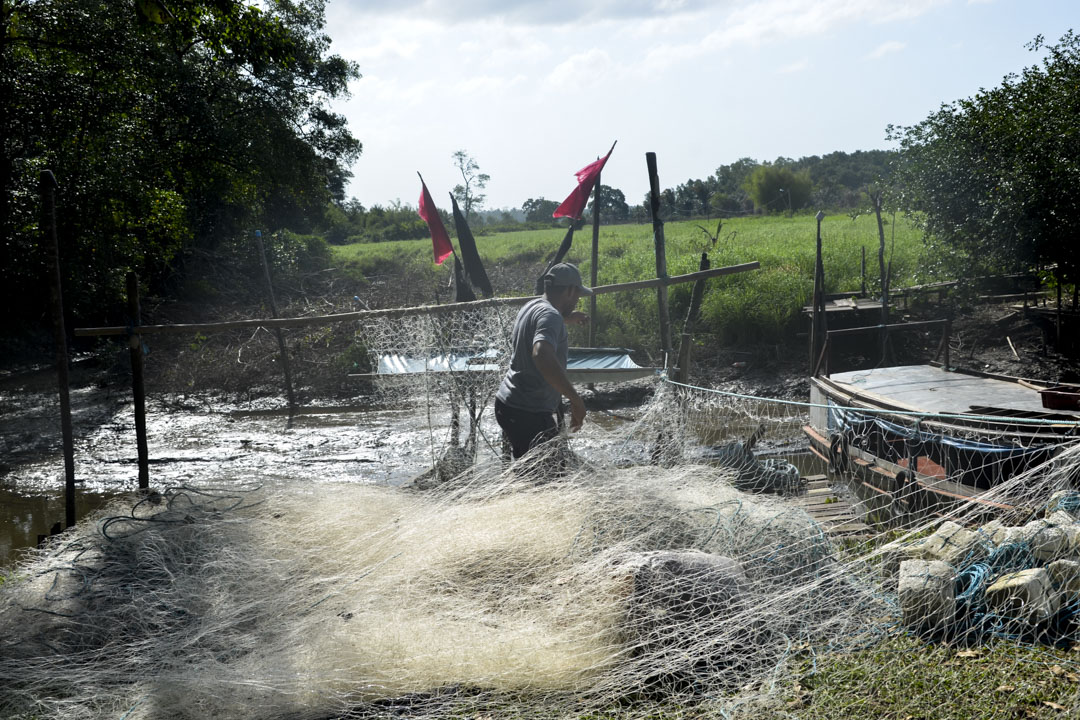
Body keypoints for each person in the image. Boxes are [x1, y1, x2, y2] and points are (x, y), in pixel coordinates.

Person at [494, 262, 592, 459]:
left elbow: (542, 323)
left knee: (530, 472)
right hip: (528, 412)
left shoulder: (532, 306)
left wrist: (566, 318)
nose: (577, 300)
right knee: (546, 481)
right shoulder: (551, 317)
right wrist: (576, 400)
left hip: (508, 404)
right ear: (570, 290)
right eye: (578, 295)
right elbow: (542, 354)